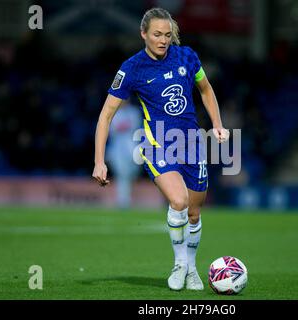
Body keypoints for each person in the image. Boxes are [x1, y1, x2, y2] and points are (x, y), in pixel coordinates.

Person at [92, 7, 229, 291]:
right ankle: (179, 264)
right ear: (143, 34)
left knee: (193, 212)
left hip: (191, 144)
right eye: (156, 34)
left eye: (167, 35)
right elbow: (105, 116)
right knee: (178, 201)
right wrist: (99, 161)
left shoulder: (187, 57)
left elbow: (205, 89)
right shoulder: (131, 68)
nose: (163, 40)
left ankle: (192, 268)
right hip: (157, 145)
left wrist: (217, 123)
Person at [105, 99, 141, 208]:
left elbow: (135, 126)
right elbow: (111, 130)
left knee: (132, 172)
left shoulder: (134, 112)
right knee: (122, 174)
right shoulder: (114, 112)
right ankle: (123, 200)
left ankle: (126, 197)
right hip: (117, 149)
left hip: (132, 147)